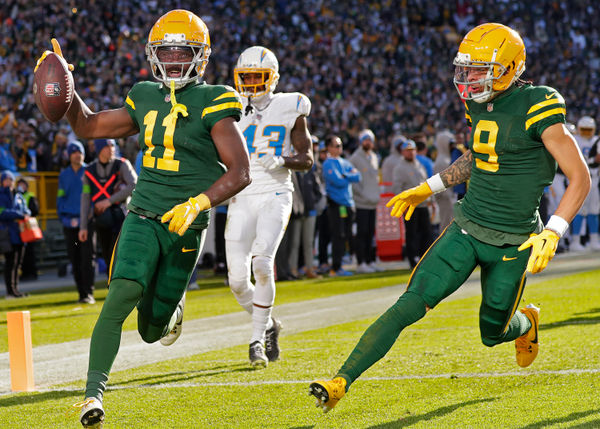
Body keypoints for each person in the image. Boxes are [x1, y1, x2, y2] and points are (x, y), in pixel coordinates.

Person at [309, 22, 591, 413]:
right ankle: (340, 380)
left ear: (509, 67)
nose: (469, 77)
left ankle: (526, 323)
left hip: (515, 240)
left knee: (492, 334)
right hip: (467, 226)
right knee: (410, 303)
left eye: (478, 69)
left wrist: (555, 231)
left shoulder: (540, 103)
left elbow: (580, 176)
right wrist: (432, 185)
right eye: (467, 68)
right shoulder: (477, 102)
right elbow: (479, 153)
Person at [36, 10, 250, 427]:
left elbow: (240, 171)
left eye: (181, 51)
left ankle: (171, 310)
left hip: (187, 223)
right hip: (142, 214)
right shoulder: (144, 94)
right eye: (165, 51)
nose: (172, 60)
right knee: (119, 297)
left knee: (151, 330)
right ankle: (92, 397)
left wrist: (197, 204)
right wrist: (67, 86)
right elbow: (88, 126)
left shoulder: (216, 99)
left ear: (200, 56)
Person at [225, 45, 313, 368]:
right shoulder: (230, 105)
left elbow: (307, 158)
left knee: (262, 264)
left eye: (256, 76)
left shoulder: (291, 105)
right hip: (241, 193)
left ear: (272, 78)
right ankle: (270, 323)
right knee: (236, 281)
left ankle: (256, 341)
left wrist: (282, 160)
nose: (249, 82)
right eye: (244, 76)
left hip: (276, 191)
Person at [79, 138, 136, 269]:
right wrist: (83, 227)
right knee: (107, 255)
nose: (112, 148)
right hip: (101, 220)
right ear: (100, 149)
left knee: (121, 254)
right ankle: (112, 286)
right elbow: (85, 198)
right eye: (108, 146)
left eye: (113, 145)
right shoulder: (89, 170)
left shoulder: (122, 164)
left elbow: (134, 185)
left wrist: (109, 201)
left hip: (121, 217)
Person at [57, 140, 96, 303]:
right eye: (74, 152)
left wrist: (87, 218)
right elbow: (60, 199)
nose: (77, 155)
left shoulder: (89, 171)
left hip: (86, 223)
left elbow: (93, 197)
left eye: (79, 152)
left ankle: (89, 292)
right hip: (69, 224)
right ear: (68, 155)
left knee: (87, 259)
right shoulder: (64, 175)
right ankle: (81, 293)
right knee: (75, 260)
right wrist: (64, 219)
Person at [392, 139, 434, 269]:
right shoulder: (400, 168)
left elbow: (425, 183)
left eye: (412, 150)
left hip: (422, 204)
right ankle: (412, 259)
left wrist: (430, 200)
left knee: (426, 232)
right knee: (412, 233)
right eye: (408, 151)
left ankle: (424, 257)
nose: (410, 153)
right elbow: (397, 188)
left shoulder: (419, 165)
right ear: (403, 152)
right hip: (410, 206)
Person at [322, 135, 361, 277]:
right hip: (337, 204)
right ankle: (335, 267)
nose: (339, 148)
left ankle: (340, 266)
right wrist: (348, 176)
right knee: (338, 235)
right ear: (329, 147)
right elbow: (338, 182)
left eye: (340, 145)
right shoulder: (328, 164)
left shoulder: (344, 162)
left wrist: (345, 176)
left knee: (346, 236)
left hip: (348, 203)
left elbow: (358, 176)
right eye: (336, 146)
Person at [349, 129, 381, 273]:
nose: (368, 142)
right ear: (361, 142)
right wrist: (362, 195)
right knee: (362, 233)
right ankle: (361, 262)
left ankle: (370, 260)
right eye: (365, 140)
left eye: (370, 140)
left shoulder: (374, 157)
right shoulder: (355, 158)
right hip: (361, 202)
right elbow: (353, 182)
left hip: (372, 202)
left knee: (370, 233)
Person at [570, 116, 600, 251]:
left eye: (589, 130)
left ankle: (594, 239)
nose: (587, 133)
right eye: (584, 130)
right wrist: (594, 159)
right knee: (579, 210)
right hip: (580, 177)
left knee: (594, 210)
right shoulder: (574, 140)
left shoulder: (596, 141)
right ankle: (575, 241)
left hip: (595, 177)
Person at [0, 170, 30, 298]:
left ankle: (16, 289)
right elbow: (2, 213)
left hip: (20, 232)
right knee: (10, 262)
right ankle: (10, 291)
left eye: (10, 179)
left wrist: (26, 213)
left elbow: (26, 209)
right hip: (7, 233)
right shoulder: (1, 195)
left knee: (18, 263)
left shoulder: (19, 195)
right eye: (5, 179)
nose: (8, 182)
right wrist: (19, 215)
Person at [16, 177, 40, 280]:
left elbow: (35, 210)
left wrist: (25, 214)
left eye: (23, 184)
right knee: (23, 252)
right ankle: (25, 273)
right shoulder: (17, 197)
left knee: (30, 252)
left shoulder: (30, 196)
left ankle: (32, 273)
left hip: (29, 228)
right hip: (21, 228)